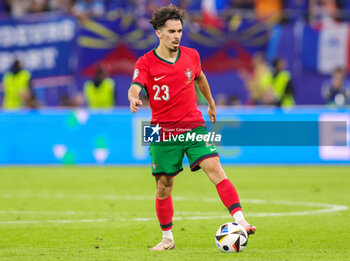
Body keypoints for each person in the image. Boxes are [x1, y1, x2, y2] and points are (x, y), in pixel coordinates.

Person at [128, 5, 255, 251]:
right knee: (164, 185)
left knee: (215, 168)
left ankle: (242, 221)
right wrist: (134, 97)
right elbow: (136, 85)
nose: (177, 36)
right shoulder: (145, 62)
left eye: (180, 31)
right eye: (172, 31)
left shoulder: (191, 55)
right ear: (158, 33)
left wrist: (210, 101)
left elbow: (199, 77)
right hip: (161, 130)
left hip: (193, 125)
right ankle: (167, 239)